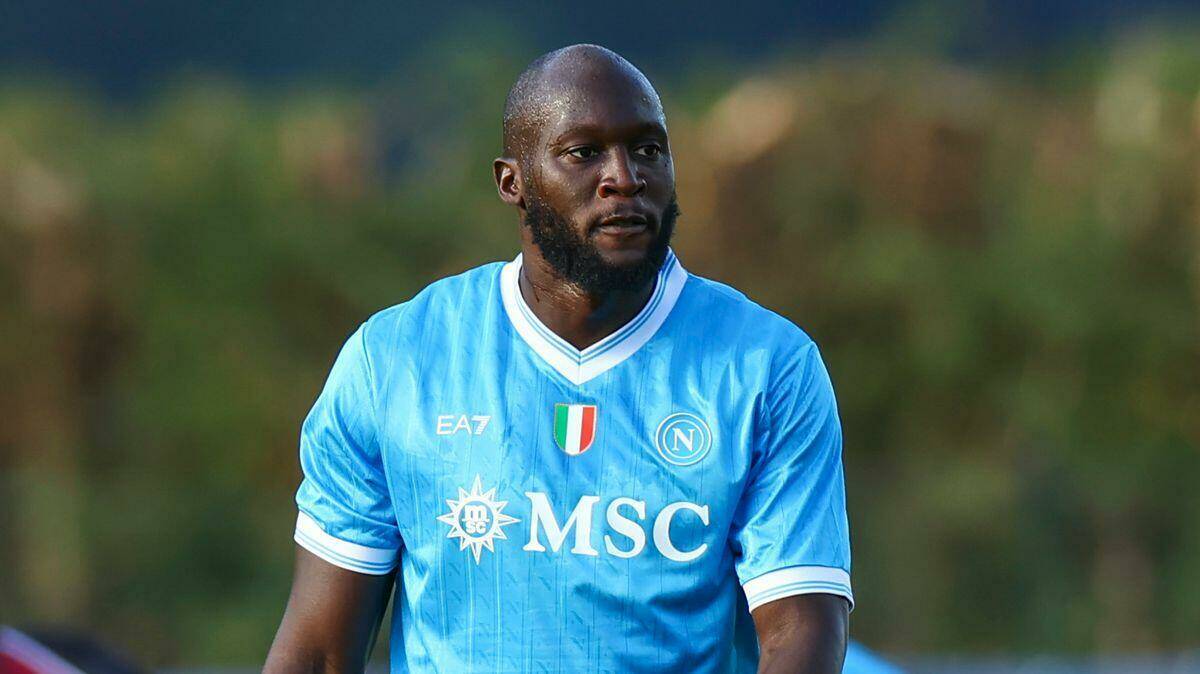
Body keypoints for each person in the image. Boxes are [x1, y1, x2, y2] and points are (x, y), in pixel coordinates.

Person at [265, 44, 852, 673]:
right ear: (511, 182)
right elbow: (319, 651)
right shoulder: (396, 362)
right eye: (584, 153)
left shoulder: (768, 367)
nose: (624, 177)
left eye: (648, 149)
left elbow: (801, 632)